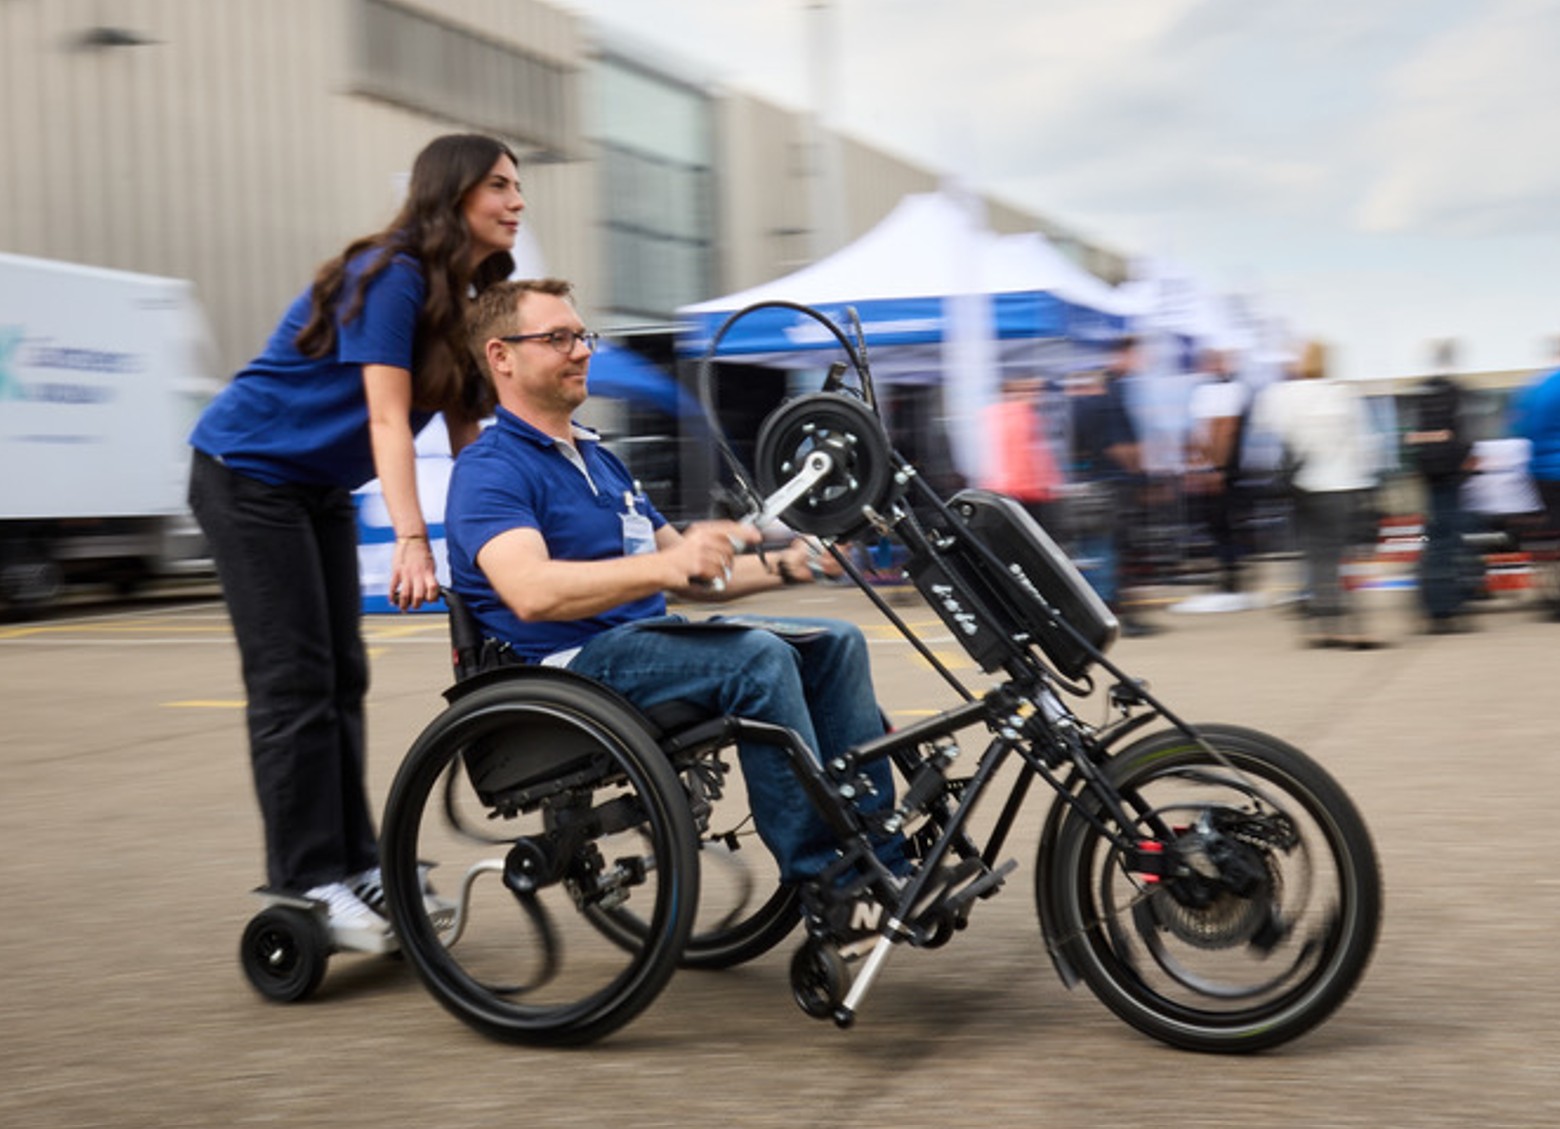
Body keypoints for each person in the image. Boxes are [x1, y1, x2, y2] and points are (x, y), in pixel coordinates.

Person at [444, 278, 909, 923]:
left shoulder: (600, 460)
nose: (581, 351)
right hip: (567, 669)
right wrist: (669, 561)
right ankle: (823, 879)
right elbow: (530, 591)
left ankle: (883, 857)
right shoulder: (490, 468)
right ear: (502, 357)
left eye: (583, 336)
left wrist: (793, 562)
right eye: (558, 338)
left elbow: (687, 575)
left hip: (641, 649)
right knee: (757, 659)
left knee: (836, 644)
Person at [188, 133, 525, 944]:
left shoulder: (468, 296)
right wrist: (412, 536)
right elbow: (386, 415)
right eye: (500, 187)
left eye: (519, 188)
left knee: (342, 673)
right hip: (247, 472)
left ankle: (357, 862)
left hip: (317, 488)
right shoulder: (394, 274)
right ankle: (306, 878)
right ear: (452, 194)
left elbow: (470, 433)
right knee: (293, 681)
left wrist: (501, 534)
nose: (516, 202)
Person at [1250, 340, 1383, 648]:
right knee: (1346, 557)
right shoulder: (1342, 394)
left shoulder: (1281, 395)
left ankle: (1323, 626)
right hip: (1342, 486)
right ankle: (1355, 627)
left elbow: (1264, 432)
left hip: (1301, 487)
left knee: (1316, 556)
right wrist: (1372, 482)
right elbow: (1365, 444)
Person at [1068, 336, 1159, 636]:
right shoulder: (1112, 390)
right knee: (1112, 548)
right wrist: (1139, 473)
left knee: (1102, 548)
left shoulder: (1098, 389)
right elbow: (1116, 443)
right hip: (1113, 480)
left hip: (1095, 479)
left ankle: (1107, 611)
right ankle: (1112, 615)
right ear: (1123, 354)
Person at [1404, 341, 1477, 632]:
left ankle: (1432, 602)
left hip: (1428, 474)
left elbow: (1411, 437)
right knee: (1449, 537)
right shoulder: (1458, 392)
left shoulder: (1420, 392)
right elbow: (1463, 436)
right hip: (1450, 475)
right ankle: (1445, 607)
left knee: (1433, 535)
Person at [1185, 348, 1252, 602]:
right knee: (1219, 523)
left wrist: (1216, 470)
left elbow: (1225, 431)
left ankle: (1231, 573)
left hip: (1225, 470)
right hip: (1215, 468)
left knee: (1224, 522)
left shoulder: (1230, 390)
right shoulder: (1208, 390)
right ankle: (1229, 571)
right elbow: (1201, 432)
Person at [1510, 350, 1560, 620]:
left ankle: (1551, 596)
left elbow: (1520, 429)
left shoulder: (1535, 387)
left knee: (1550, 532)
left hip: (1541, 472)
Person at [982, 375, 1064, 532]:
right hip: (1024, 495)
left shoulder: (993, 413)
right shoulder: (1020, 414)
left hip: (1009, 495)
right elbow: (1026, 462)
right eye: (1030, 389)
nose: (1037, 393)